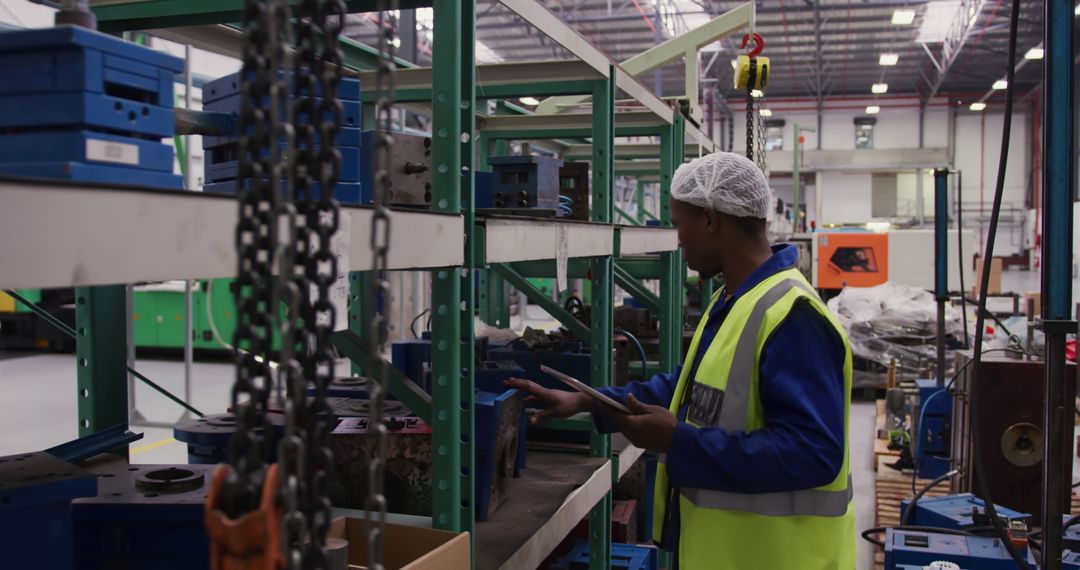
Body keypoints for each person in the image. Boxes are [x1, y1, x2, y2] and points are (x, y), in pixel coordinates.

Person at [506, 152, 855, 569]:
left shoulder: (792, 316)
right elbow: (691, 390)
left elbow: (813, 453)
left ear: (710, 220)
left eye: (678, 224)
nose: (678, 239)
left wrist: (679, 441)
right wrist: (588, 401)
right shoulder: (731, 299)